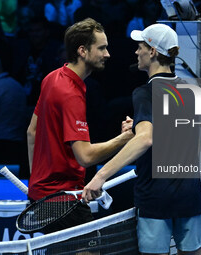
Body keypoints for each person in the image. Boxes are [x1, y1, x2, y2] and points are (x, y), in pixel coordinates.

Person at [82, 24, 201, 255]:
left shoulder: (144, 93)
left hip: (156, 197)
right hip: (189, 194)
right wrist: (139, 127)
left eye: (140, 47)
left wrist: (100, 175)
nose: (136, 52)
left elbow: (146, 140)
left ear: (153, 52)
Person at [27, 18, 133, 209]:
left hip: (41, 196)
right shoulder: (70, 94)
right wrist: (125, 138)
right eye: (101, 48)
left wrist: (37, 183)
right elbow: (85, 157)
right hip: (64, 199)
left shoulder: (52, 78)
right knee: (99, 240)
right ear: (82, 51)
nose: (107, 54)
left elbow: (31, 133)